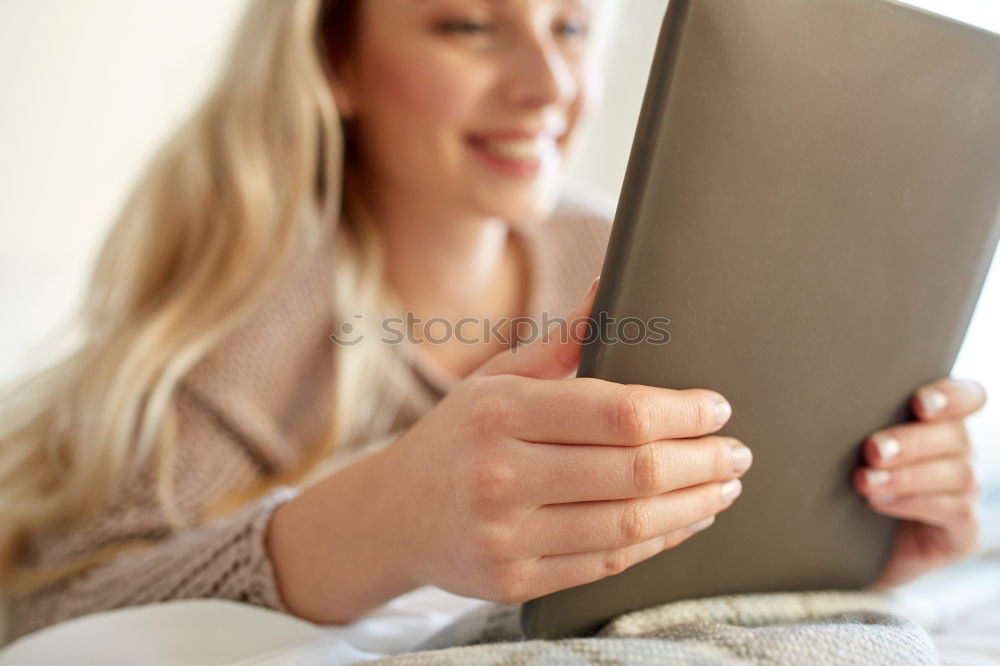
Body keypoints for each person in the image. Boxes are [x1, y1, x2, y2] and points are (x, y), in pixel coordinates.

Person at [0, 0, 986, 642]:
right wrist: (382, 520)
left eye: (568, 28)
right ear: (335, 62)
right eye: (468, 25)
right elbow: (50, 615)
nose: (550, 89)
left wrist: (854, 521)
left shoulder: (632, 254)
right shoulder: (258, 328)